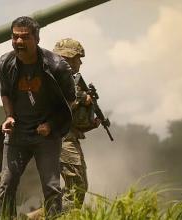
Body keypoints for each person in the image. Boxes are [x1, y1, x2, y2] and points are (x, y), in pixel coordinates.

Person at [0, 16, 76, 218]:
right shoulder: (5, 63)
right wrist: (9, 116)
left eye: (25, 37)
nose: (19, 42)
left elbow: (69, 102)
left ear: (37, 39)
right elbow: (5, 92)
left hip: (46, 136)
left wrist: (51, 125)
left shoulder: (57, 66)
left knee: (52, 188)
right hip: (17, 134)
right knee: (6, 185)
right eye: (15, 37)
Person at [53, 38, 100, 209]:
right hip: (61, 138)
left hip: (69, 136)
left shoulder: (69, 80)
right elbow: (56, 106)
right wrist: (81, 99)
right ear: (67, 58)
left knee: (78, 185)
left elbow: (72, 120)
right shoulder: (53, 78)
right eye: (77, 58)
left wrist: (92, 123)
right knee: (76, 187)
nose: (80, 62)